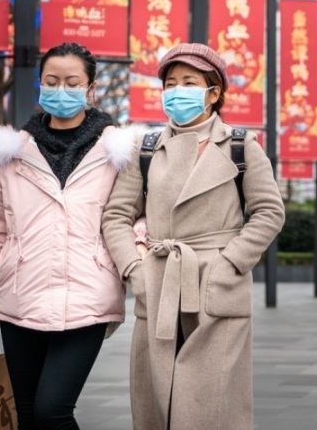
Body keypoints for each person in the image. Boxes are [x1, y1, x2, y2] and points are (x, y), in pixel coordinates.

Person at [101, 43, 285, 430]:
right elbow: (116, 215)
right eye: (170, 83)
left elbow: (269, 212)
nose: (177, 91)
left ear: (213, 92)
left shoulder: (241, 145)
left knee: (211, 401)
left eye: (189, 82)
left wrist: (230, 263)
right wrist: (136, 270)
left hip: (218, 282)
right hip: (161, 281)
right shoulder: (145, 147)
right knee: (158, 397)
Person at [0, 42, 132, 429]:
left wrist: (132, 265)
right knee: (25, 414)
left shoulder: (118, 154)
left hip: (88, 296)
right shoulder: (10, 156)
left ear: (91, 89)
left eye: (73, 82)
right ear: (39, 85)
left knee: (51, 410)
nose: (61, 90)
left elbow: (135, 218)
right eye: (52, 81)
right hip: (19, 296)